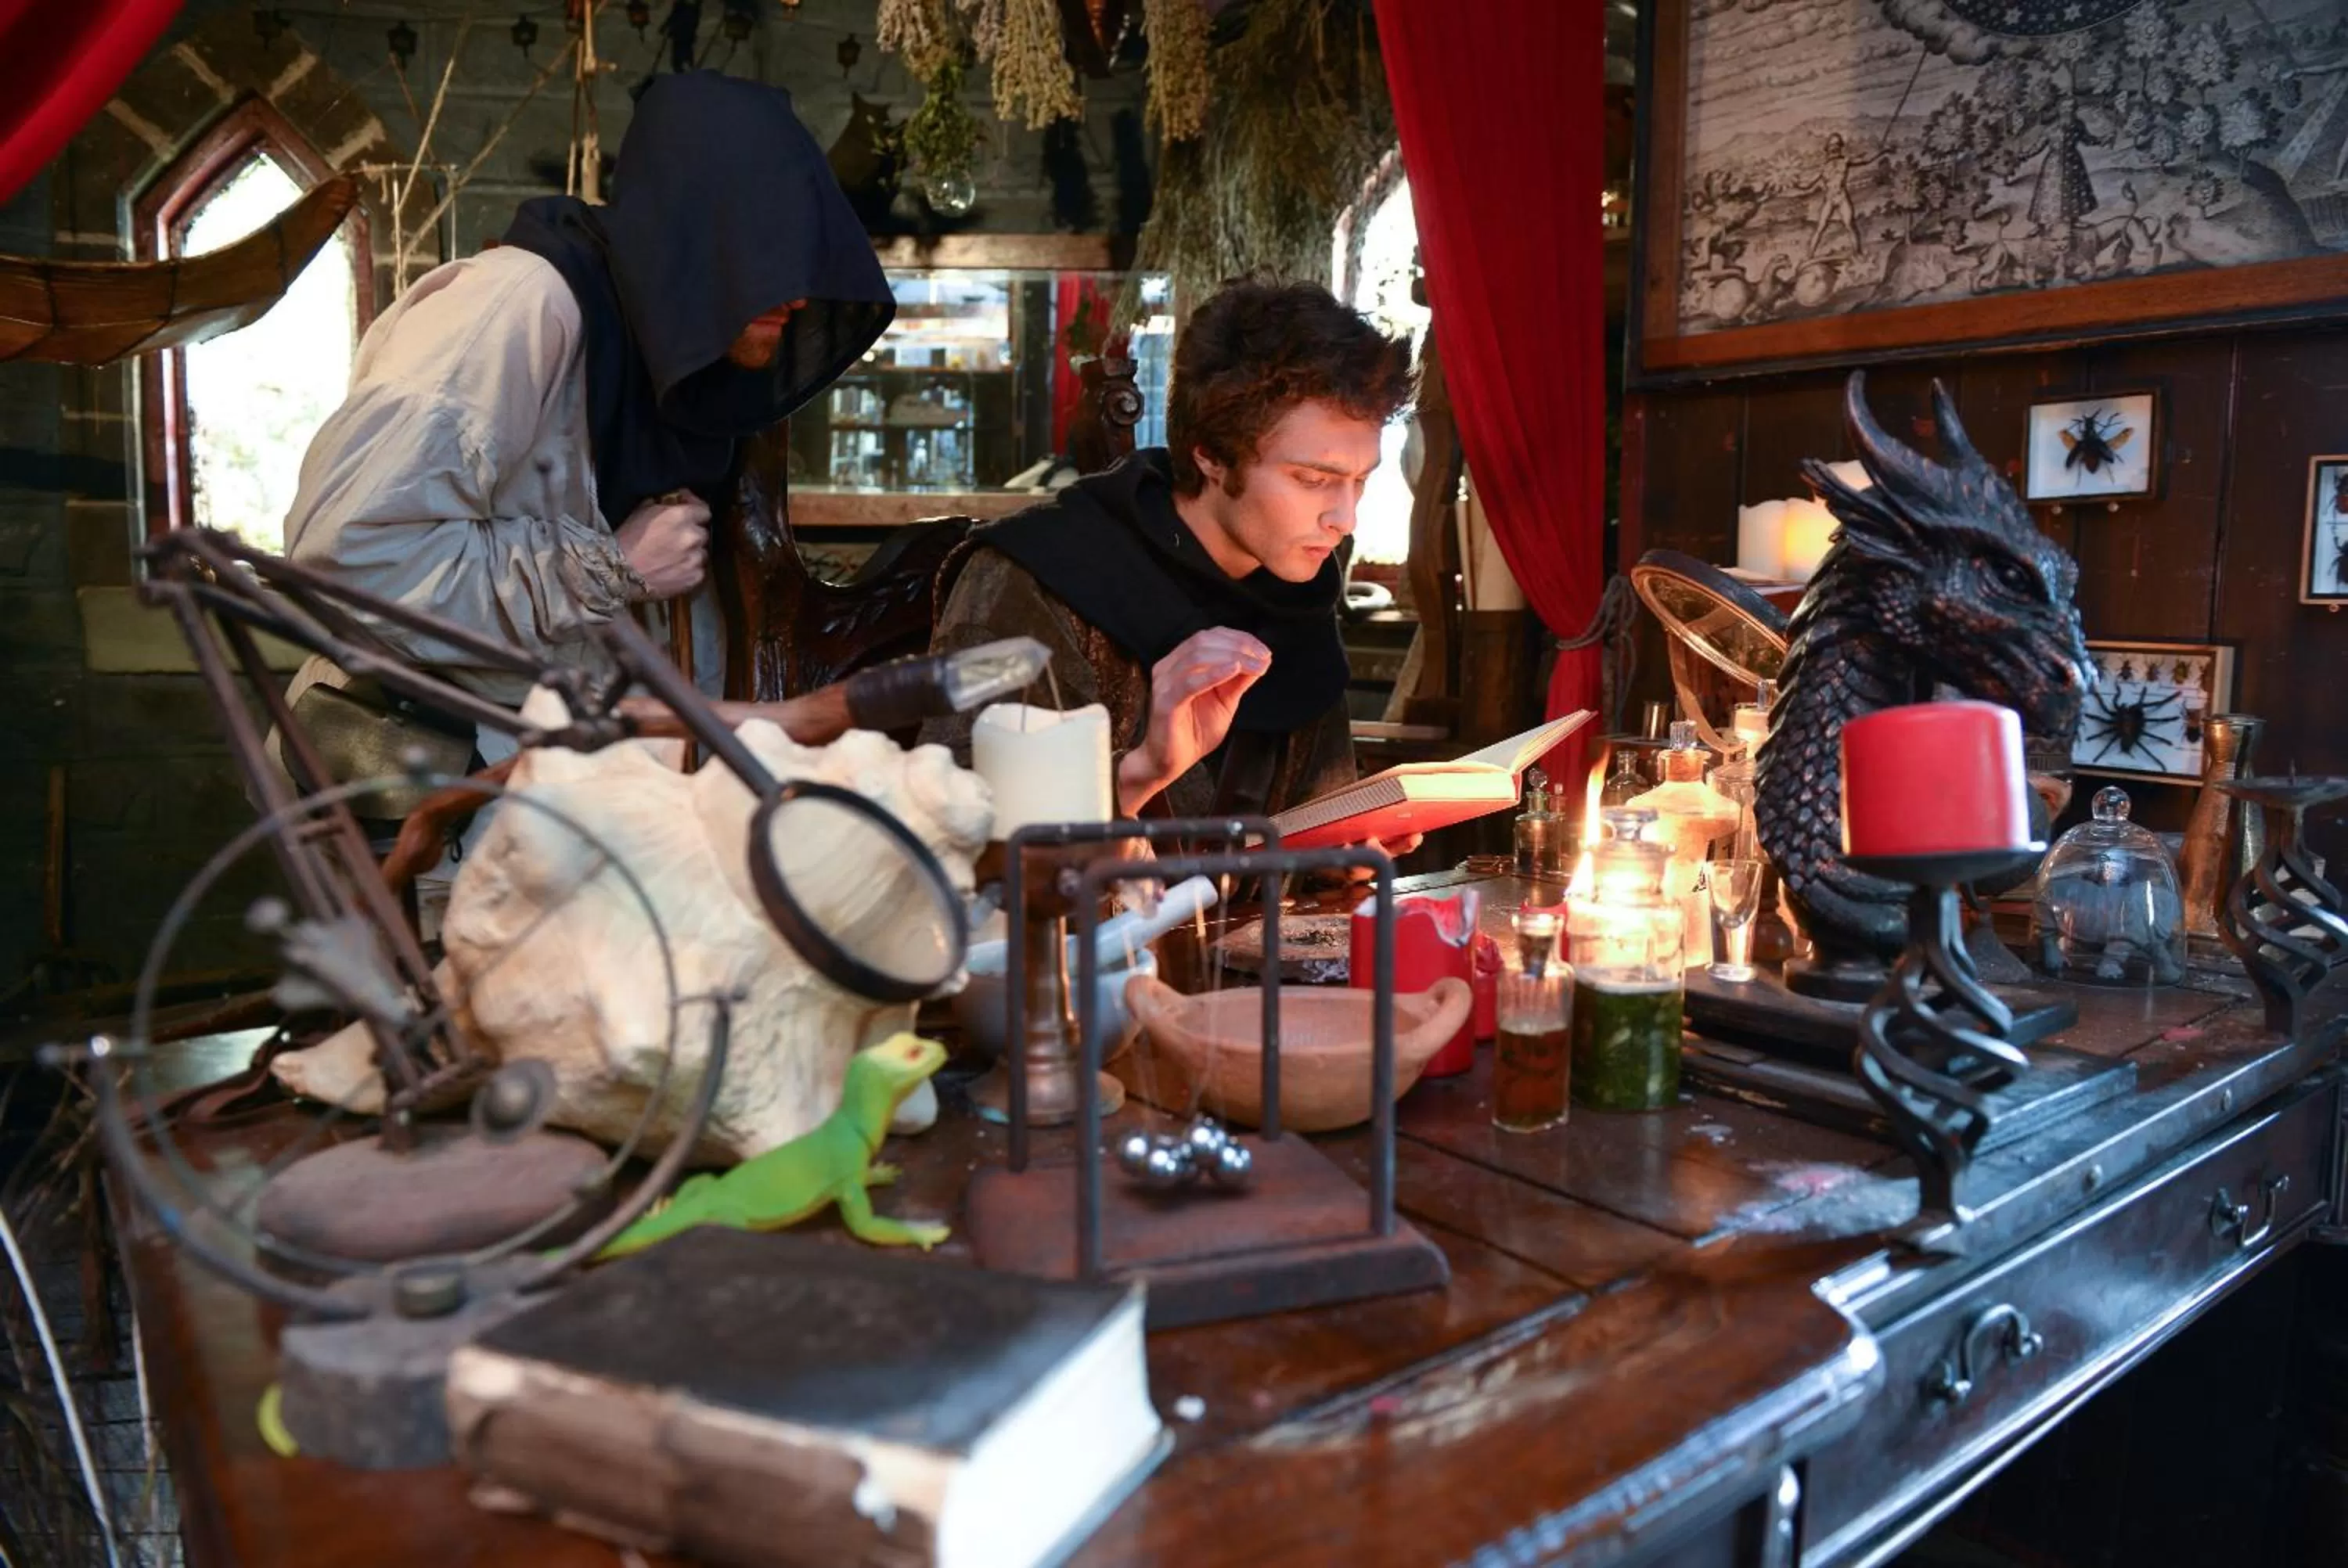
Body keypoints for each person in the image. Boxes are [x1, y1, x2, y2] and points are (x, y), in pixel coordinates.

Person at [277, 70, 893, 775]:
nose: (796, 290)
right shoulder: (517, 307)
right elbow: (347, 560)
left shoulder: (683, 370)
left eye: (802, 246)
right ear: (691, 228)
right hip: (434, 798)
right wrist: (607, 568)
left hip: (575, 803)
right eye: (762, 243)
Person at [920, 279, 1413, 825]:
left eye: (1360, 482)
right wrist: (1141, 770)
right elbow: (955, 830)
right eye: (1311, 479)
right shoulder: (1034, 575)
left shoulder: (1298, 590)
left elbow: (1307, 823)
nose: (1344, 520)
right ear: (1211, 456)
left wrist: (1340, 850)